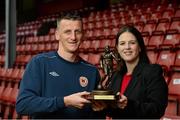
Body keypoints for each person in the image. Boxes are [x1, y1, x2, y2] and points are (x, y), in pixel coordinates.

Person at [16, 11, 102, 119]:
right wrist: (64, 102)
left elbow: (96, 114)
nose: (73, 37)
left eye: (77, 32)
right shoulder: (39, 63)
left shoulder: (92, 71)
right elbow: (23, 105)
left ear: (83, 34)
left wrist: (103, 108)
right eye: (67, 32)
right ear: (57, 35)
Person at [92, 25, 168, 119]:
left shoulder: (152, 72)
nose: (127, 47)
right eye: (122, 43)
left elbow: (157, 109)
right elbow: (115, 110)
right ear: (118, 49)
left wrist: (129, 105)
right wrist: (103, 107)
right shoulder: (116, 75)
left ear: (139, 47)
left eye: (132, 43)